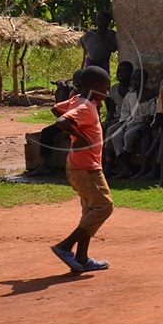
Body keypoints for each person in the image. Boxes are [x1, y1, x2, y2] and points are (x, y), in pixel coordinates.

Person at [49, 67, 114, 274]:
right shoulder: (85, 106)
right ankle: (65, 246)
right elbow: (61, 120)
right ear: (95, 87)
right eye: (106, 89)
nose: (107, 93)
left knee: (91, 210)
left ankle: (82, 257)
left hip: (79, 165)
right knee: (104, 206)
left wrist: (76, 133)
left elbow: (56, 109)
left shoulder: (79, 100)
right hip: (86, 167)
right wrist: (82, 138)